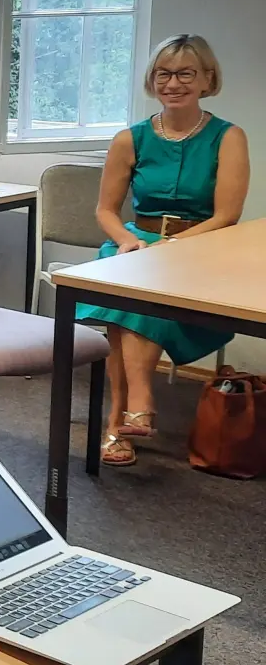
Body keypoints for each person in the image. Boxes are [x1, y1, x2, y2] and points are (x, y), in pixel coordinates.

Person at [80, 34, 249, 468]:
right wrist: (125, 240)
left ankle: (121, 419)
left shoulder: (228, 137)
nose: (173, 83)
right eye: (163, 74)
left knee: (133, 295)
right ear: (151, 81)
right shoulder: (129, 139)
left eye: (185, 74)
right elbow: (105, 210)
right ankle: (134, 409)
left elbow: (226, 216)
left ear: (208, 79)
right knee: (133, 280)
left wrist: (171, 247)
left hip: (200, 248)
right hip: (137, 243)